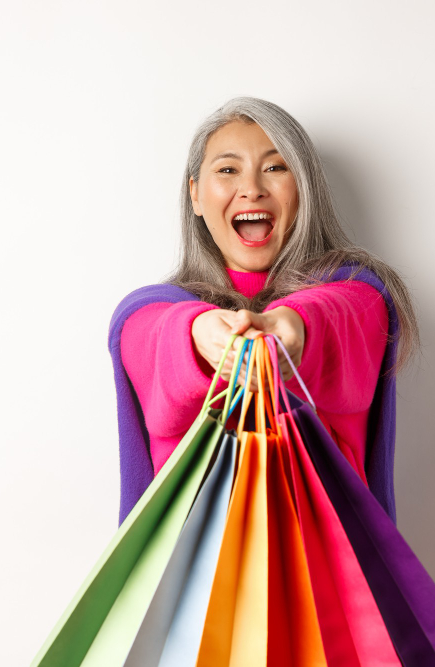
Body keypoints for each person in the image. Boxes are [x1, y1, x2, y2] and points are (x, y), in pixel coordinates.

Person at [108, 97, 419, 526]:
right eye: (227, 170)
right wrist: (199, 335)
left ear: (304, 189)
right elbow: (147, 328)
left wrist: (291, 327)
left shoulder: (360, 294)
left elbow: (336, 313)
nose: (252, 188)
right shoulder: (153, 311)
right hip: (196, 566)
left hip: (327, 564)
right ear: (195, 194)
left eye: (275, 167)